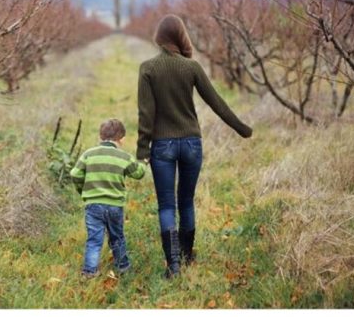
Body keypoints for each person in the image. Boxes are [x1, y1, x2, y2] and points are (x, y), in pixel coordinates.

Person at [136, 14, 253, 279]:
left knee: (167, 206)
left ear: (159, 38)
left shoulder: (148, 68)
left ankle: (173, 266)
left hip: (162, 146)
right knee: (186, 202)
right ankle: (188, 256)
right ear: (180, 36)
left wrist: (143, 151)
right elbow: (217, 102)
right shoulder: (192, 67)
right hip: (191, 144)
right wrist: (242, 128)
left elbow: (146, 114)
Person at [70, 118, 146, 278]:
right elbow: (138, 173)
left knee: (94, 240)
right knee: (117, 237)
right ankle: (123, 267)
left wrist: (82, 190)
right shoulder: (123, 157)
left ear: (100, 136)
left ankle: (90, 271)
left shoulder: (88, 154)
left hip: (93, 205)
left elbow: (75, 174)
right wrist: (144, 162)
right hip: (114, 206)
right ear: (121, 139)